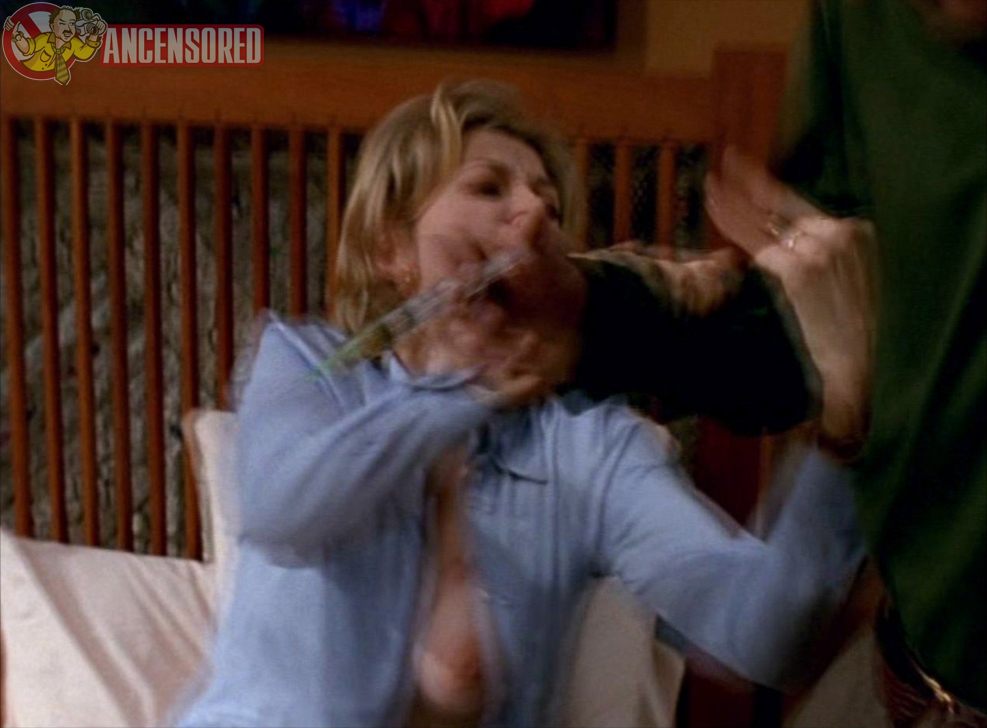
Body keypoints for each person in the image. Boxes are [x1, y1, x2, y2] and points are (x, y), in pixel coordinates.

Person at [173, 81, 866, 728]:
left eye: (550, 208)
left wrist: (844, 427)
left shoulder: (587, 447)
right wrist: (465, 391)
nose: (533, 213)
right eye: (487, 187)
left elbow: (768, 636)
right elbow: (286, 508)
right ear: (391, 249)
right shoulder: (307, 367)